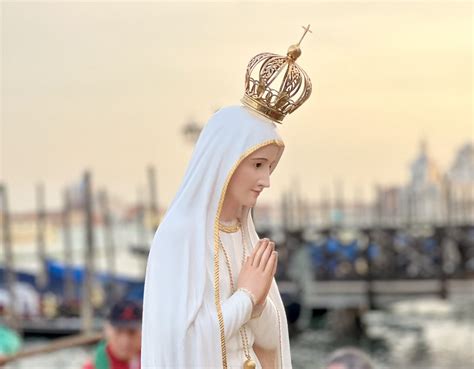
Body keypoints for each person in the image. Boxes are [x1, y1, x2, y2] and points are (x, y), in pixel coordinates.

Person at [141, 26, 313, 369]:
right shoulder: (181, 235)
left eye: (271, 167)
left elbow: (267, 340)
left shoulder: (244, 236)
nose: (266, 180)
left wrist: (259, 303)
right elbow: (182, 343)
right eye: (258, 165)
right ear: (224, 162)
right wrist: (247, 297)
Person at [82, 300, 142, 369]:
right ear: (107, 331)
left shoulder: (152, 359)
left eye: (132, 332)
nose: (125, 341)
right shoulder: (93, 366)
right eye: (118, 331)